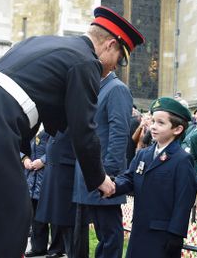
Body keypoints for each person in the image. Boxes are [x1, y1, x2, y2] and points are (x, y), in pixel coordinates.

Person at [0, 6, 145, 258]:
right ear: (110, 45)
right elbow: (84, 131)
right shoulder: (86, 62)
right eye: (119, 60)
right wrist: (99, 179)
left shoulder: (43, 42)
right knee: (13, 213)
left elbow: (56, 117)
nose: (113, 69)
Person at [112, 97, 197, 258]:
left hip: (162, 235)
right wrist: (112, 186)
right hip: (140, 230)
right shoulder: (144, 154)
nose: (153, 127)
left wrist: (176, 234)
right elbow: (129, 178)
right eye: (152, 121)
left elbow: (184, 200)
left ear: (177, 129)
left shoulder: (181, 160)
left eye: (160, 123)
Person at [72, 68, 133, 258]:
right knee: (100, 231)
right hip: (90, 171)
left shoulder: (116, 89)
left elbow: (119, 133)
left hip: (103, 174)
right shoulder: (96, 88)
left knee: (109, 233)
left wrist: (109, 174)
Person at [35, 130, 81, 258]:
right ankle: (52, 247)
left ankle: (61, 249)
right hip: (53, 168)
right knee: (55, 214)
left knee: (67, 220)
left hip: (66, 169)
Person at [23, 130, 65, 258]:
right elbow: (21, 143)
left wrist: (43, 160)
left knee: (53, 210)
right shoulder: (32, 124)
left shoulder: (54, 123)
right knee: (35, 211)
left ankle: (57, 248)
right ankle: (38, 247)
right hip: (32, 174)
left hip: (50, 172)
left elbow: (60, 146)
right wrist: (24, 158)